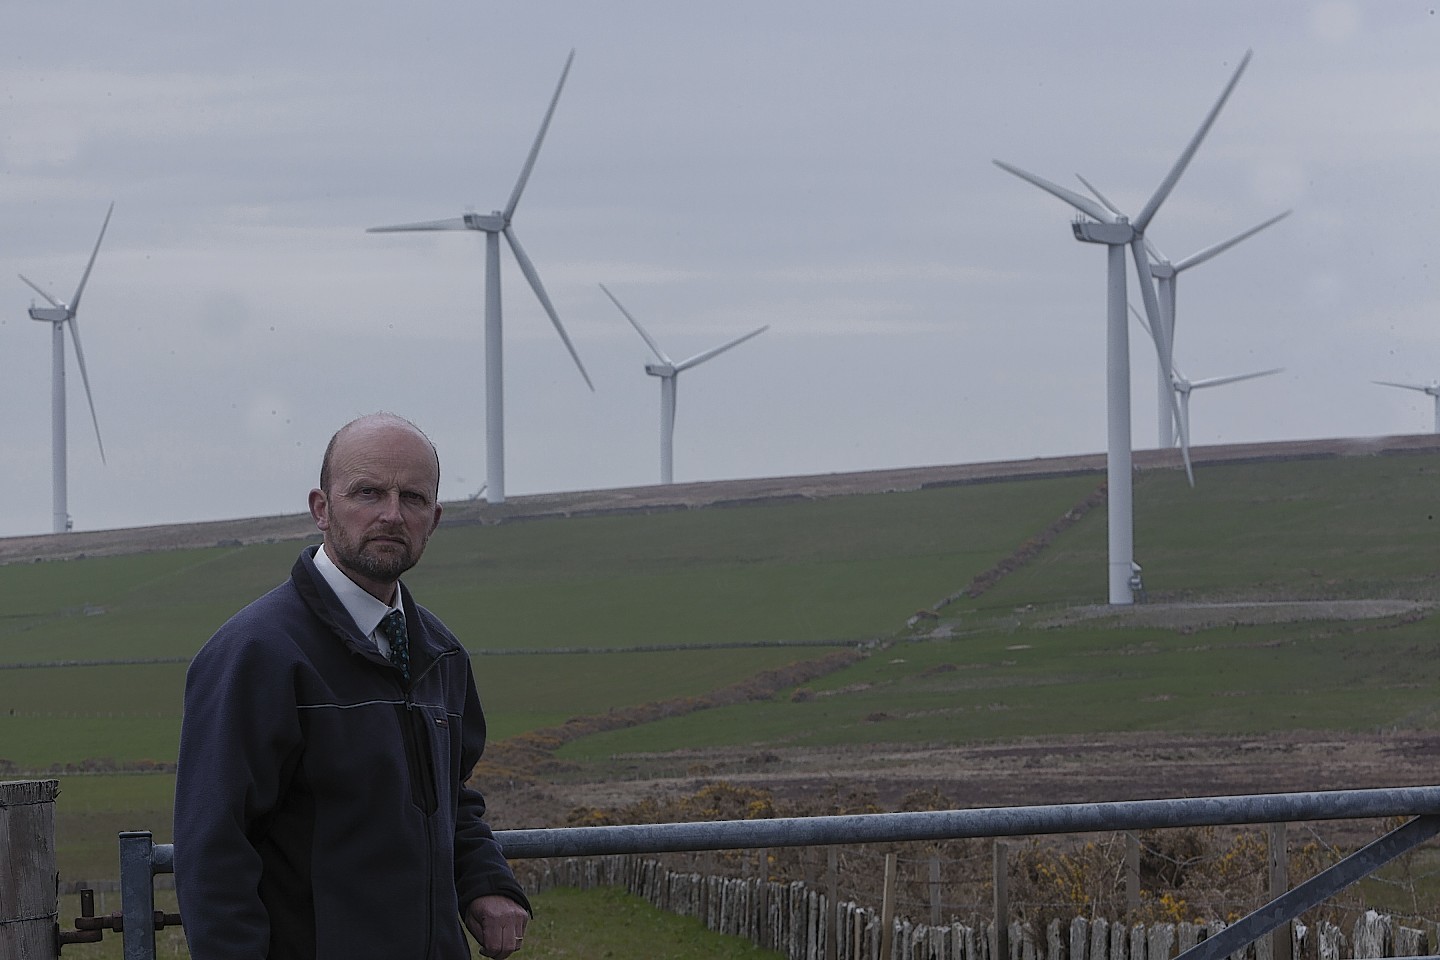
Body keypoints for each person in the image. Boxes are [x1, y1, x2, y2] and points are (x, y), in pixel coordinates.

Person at [174, 412, 531, 960]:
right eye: (368, 492)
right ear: (321, 508)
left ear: (434, 519)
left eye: (412, 498)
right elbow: (216, 851)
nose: (391, 514)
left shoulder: (441, 653)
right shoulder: (257, 654)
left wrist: (485, 880)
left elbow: (447, 797)